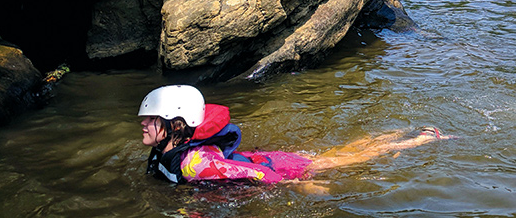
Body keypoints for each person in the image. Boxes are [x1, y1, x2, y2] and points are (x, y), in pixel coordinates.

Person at [138, 85, 451, 186]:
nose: (143, 123)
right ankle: (396, 132)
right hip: (266, 158)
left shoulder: (195, 163)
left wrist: (300, 185)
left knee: (347, 160)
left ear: (176, 125)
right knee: (339, 153)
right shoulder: (167, 151)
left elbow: (258, 175)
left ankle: (422, 139)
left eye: (151, 118)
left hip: (279, 167)